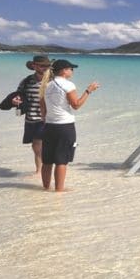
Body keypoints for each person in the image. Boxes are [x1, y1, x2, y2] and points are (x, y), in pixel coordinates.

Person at [38, 59, 99, 192]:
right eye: (71, 69)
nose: (72, 71)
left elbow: (42, 106)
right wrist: (88, 91)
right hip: (65, 126)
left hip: (49, 126)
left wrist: (46, 119)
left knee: (47, 161)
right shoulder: (68, 84)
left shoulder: (47, 85)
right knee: (61, 161)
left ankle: (45, 190)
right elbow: (76, 105)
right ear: (64, 71)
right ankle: (59, 192)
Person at [0, 54, 51, 175]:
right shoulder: (26, 81)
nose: (45, 68)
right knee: (36, 146)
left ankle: (43, 171)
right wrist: (15, 101)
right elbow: (19, 95)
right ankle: (40, 170)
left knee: (40, 144)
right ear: (34, 66)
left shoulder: (52, 81)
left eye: (47, 66)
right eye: (42, 65)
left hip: (47, 119)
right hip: (30, 118)